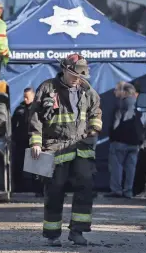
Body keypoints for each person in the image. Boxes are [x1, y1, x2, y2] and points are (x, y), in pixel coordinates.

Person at [28, 54, 102, 246]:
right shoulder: (47, 88)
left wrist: (94, 127)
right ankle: (52, 235)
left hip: (81, 147)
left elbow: (96, 111)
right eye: (74, 74)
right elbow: (35, 116)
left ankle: (78, 232)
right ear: (64, 69)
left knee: (85, 188)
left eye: (80, 74)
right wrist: (36, 142)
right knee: (55, 190)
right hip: (56, 146)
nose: (77, 78)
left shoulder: (87, 90)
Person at [106, 83, 146, 198]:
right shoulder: (140, 104)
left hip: (120, 140)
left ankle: (116, 190)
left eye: (116, 90)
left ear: (123, 92)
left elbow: (115, 123)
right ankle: (128, 190)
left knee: (116, 166)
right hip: (135, 141)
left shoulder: (120, 104)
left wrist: (112, 136)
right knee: (131, 167)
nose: (114, 92)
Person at [11, 87, 35, 193]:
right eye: (24, 97)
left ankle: (37, 188)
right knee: (20, 164)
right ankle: (20, 187)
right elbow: (12, 124)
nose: (25, 99)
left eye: (27, 97)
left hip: (34, 141)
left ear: (33, 96)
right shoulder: (20, 109)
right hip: (21, 141)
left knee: (35, 165)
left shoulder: (38, 108)